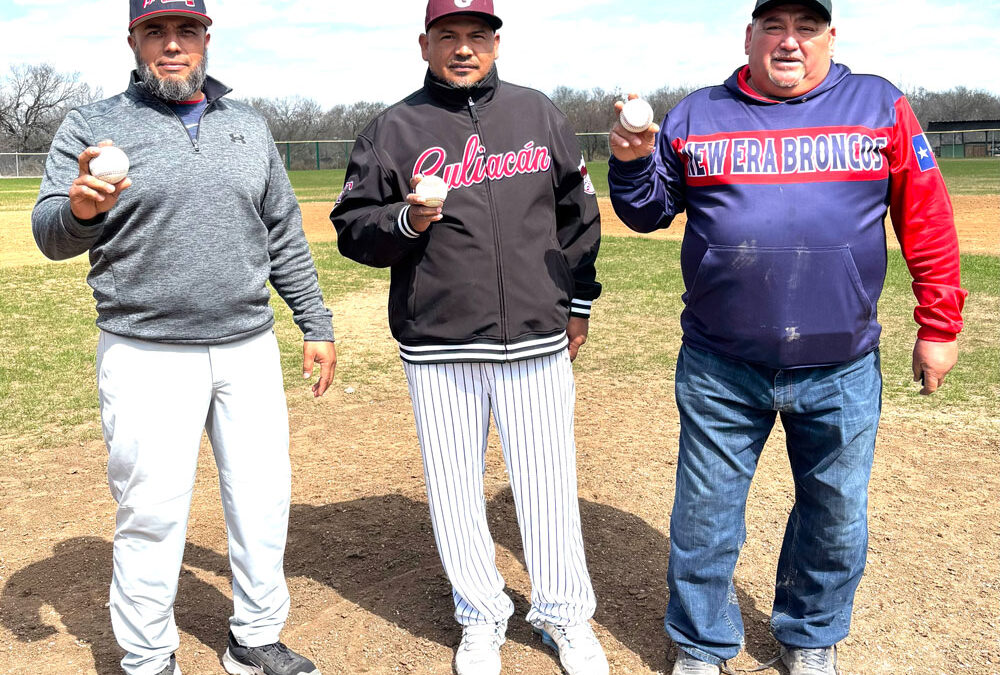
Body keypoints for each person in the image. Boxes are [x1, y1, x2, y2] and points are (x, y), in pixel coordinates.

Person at [607, 1, 967, 674]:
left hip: (841, 363)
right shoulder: (697, 114)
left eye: (808, 27)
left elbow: (927, 216)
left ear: (831, 36)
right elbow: (648, 210)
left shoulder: (878, 104)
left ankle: (809, 636)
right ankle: (700, 642)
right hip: (722, 362)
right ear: (749, 36)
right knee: (705, 517)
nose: (790, 41)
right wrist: (630, 161)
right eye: (774, 26)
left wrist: (939, 324)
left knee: (834, 515)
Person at [31, 1, 335, 674]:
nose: (172, 44)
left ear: (206, 38)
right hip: (145, 350)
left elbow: (282, 231)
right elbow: (50, 229)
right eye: (156, 30)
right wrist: (81, 210)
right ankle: (147, 658)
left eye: (185, 30)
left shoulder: (248, 127)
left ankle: (254, 636)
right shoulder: (93, 125)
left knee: (262, 502)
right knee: (151, 514)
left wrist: (315, 321)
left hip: (246, 345)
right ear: (133, 39)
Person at [330, 2, 608, 674]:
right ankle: (480, 615)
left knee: (546, 483)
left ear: (495, 42)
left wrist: (577, 301)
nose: (462, 48)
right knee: (453, 487)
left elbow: (577, 215)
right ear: (424, 44)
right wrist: (406, 219)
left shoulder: (538, 113)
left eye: (476, 35)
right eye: (447, 36)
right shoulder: (393, 128)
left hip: (537, 339)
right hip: (439, 341)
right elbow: (352, 226)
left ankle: (564, 615)